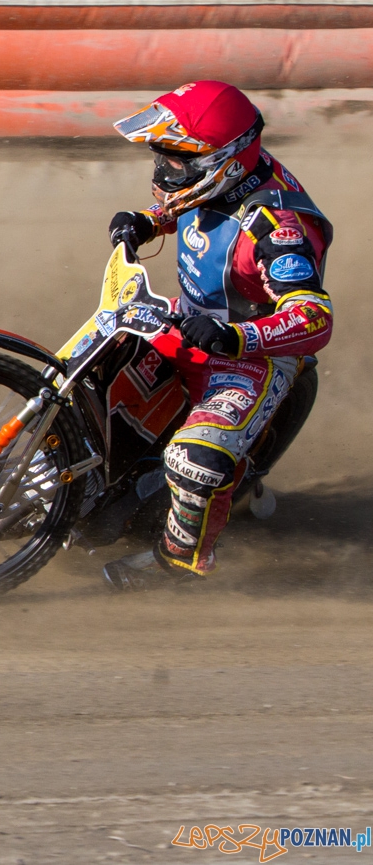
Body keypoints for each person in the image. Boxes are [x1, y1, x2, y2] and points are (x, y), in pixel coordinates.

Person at [100, 81, 332, 590]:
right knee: (98, 375)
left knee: (194, 460)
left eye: (178, 162)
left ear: (221, 162)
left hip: (251, 355)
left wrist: (234, 337)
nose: (165, 173)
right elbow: (198, 208)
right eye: (164, 158)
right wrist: (150, 221)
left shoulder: (278, 228)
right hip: (188, 323)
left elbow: (314, 317)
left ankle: (180, 566)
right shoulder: (227, 176)